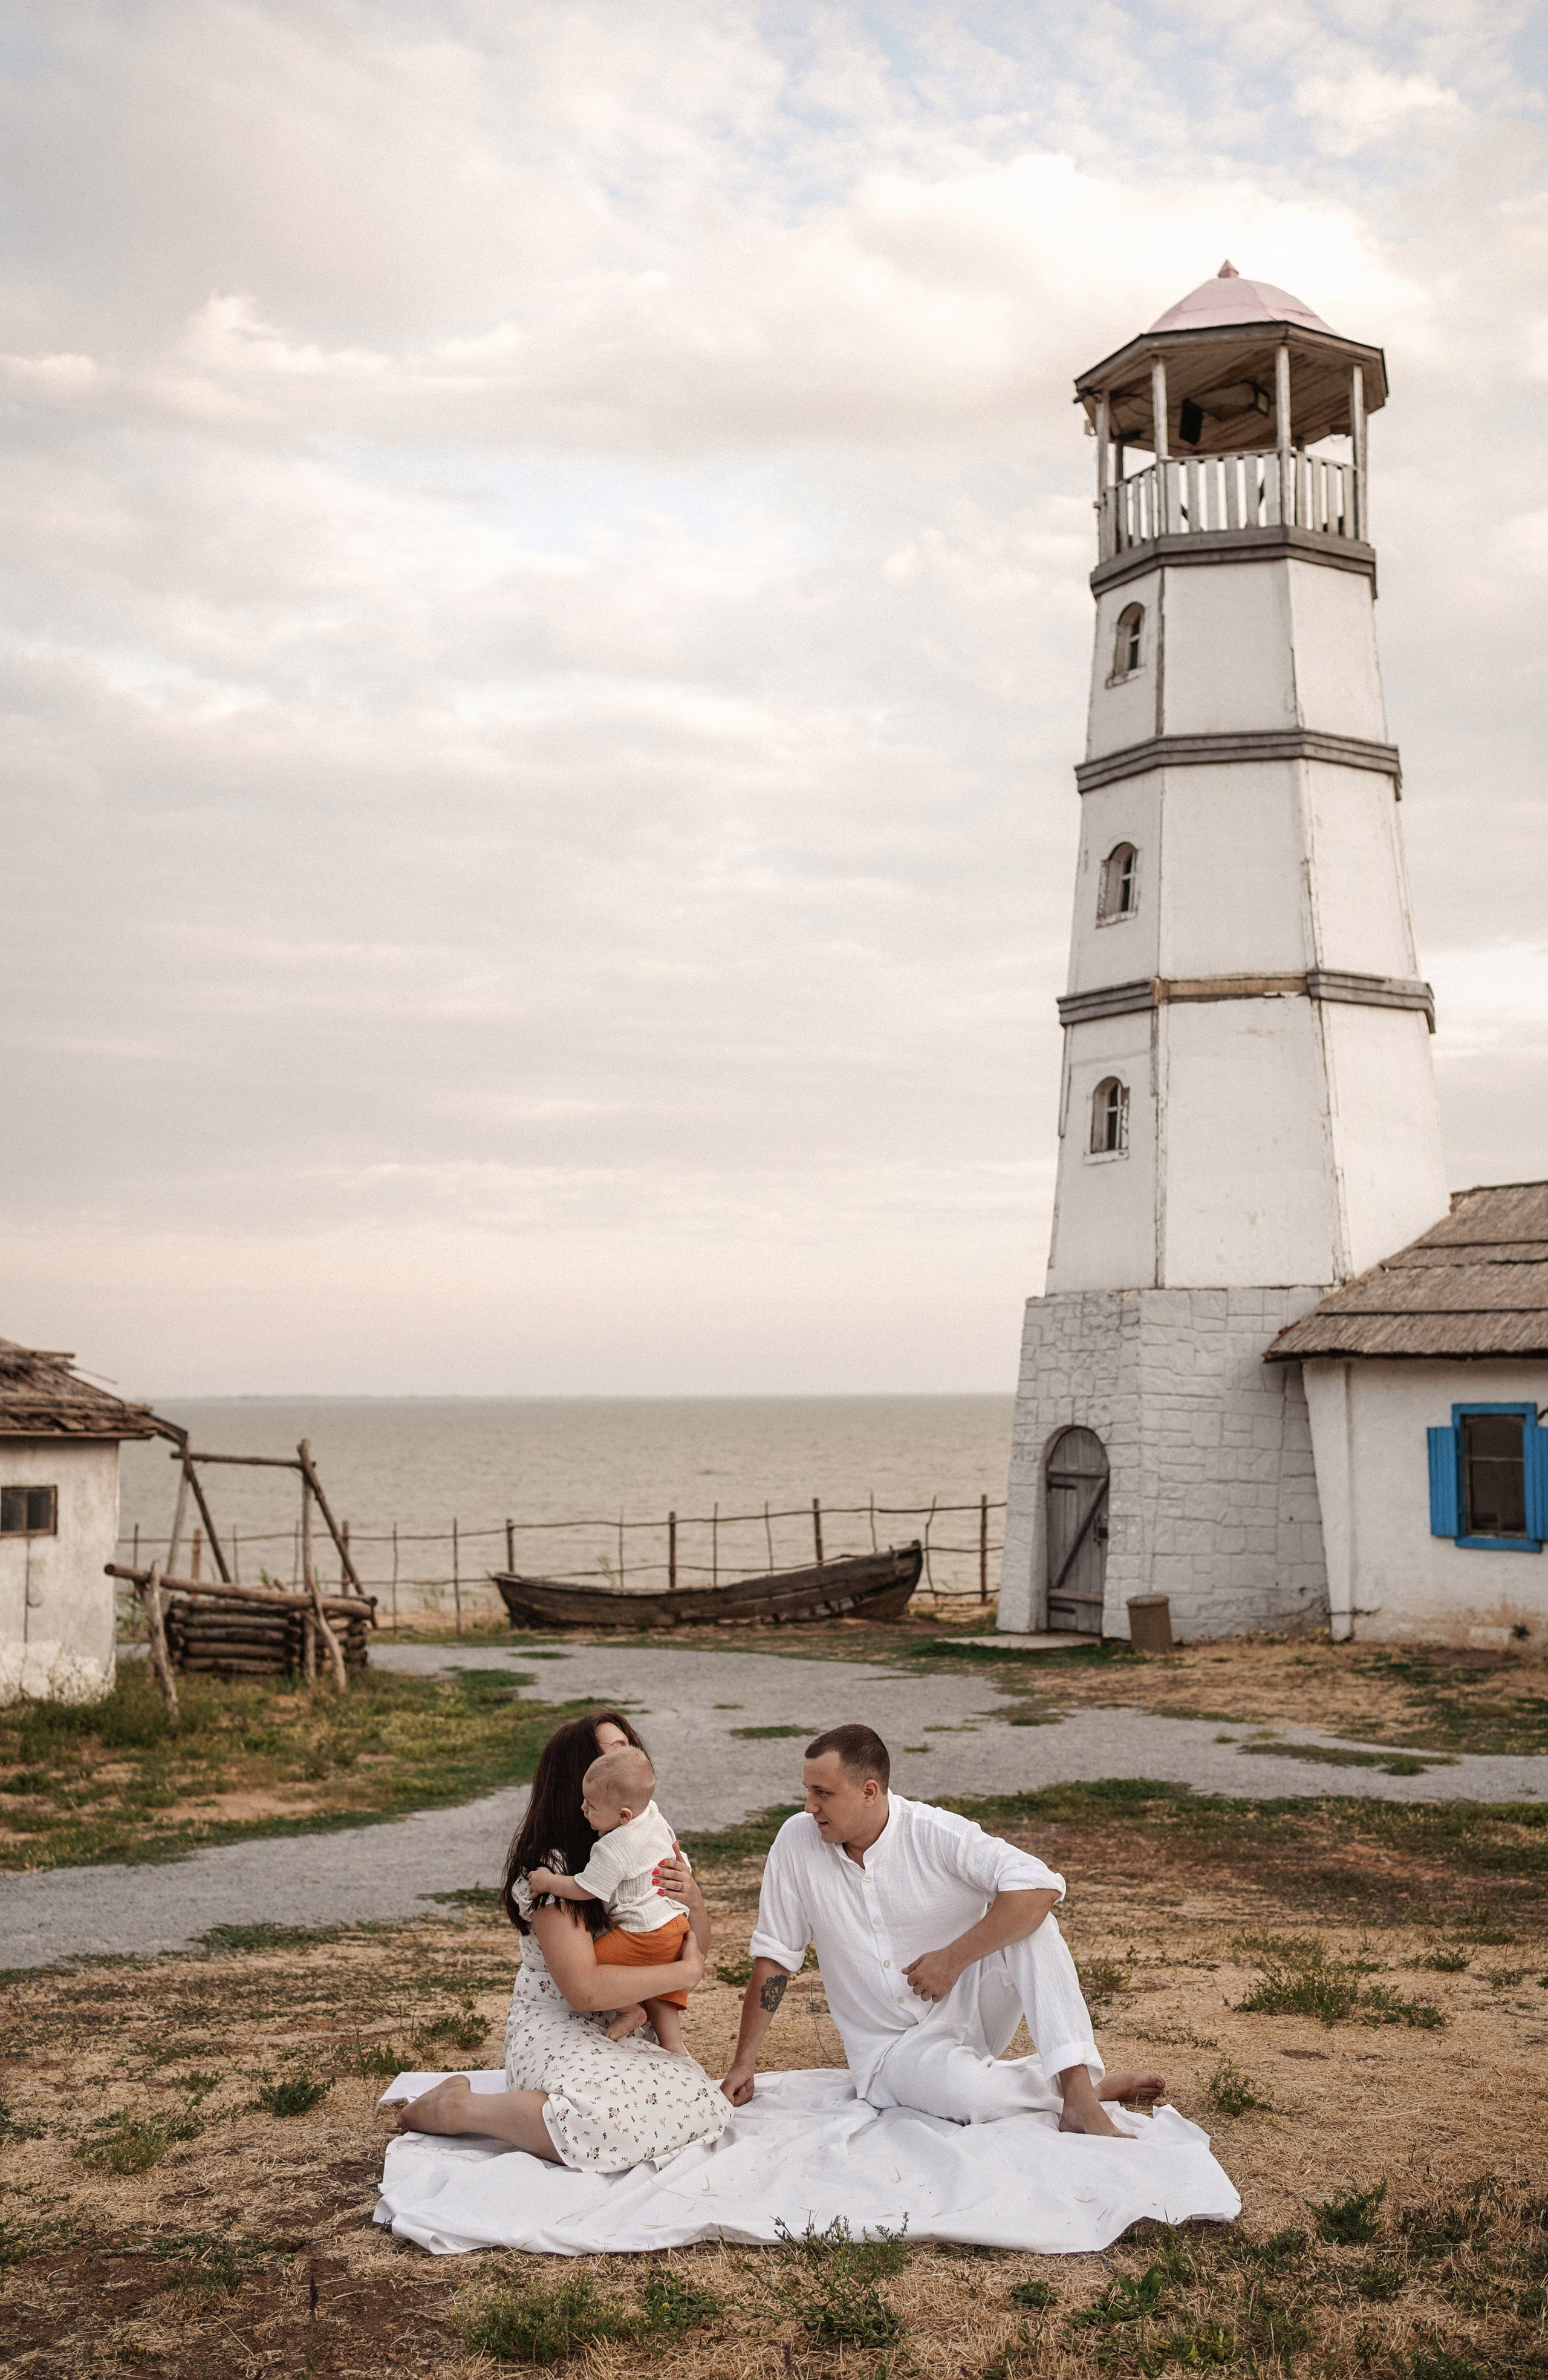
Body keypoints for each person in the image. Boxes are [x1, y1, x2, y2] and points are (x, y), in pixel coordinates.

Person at [721, 1723, 1164, 2139]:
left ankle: (1080, 2096)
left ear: (869, 1791)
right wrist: (744, 2063)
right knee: (974, 2098)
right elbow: (776, 1958)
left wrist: (954, 1958)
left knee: (1034, 1925)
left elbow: (1041, 1885)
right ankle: (1079, 2087)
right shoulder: (795, 1843)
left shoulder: (934, 1832)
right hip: (891, 2052)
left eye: (822, 1793)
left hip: (971, 2005)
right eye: (808, 1791)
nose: (809, 1806)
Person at [395, 1710, 729, 2169]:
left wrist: (694, 1899)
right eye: (614, 1752)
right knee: (598, 2120)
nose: (632, 1758)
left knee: (700, 2102)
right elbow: (584, 1988)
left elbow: (692, 1940)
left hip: (624, 2020)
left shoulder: (643, 1841)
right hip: (559, 2020)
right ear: (584, 1779)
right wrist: (687, 1973)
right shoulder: (553, 1868)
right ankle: (457, 2108)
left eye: (630, 1746)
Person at [528, 1741, 692, 2052]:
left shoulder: (613, 1849)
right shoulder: (653, 1815)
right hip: (675, 1922)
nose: (583, 1809)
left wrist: (549, 1881)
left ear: (624, 1815)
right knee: (660, 1988)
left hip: (645, 1932)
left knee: (593, 1971)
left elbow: (586, 1888)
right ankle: (676, 2048)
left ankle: (631, 2010)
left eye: (591, 1805)